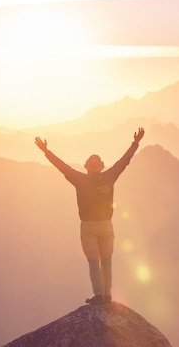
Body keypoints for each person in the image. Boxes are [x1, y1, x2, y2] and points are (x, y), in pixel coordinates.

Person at [34, 128, 145, 304]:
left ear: (86, 168)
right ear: (101, 167)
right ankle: (107, 295)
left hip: (88, 226)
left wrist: (46, 152)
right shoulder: (110, 175)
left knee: (94, 262)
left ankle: (99, 296)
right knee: (106, 261)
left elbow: (62, 166)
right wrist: (136, 142)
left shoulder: (80, 179)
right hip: (106, 225)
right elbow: (124, 161)